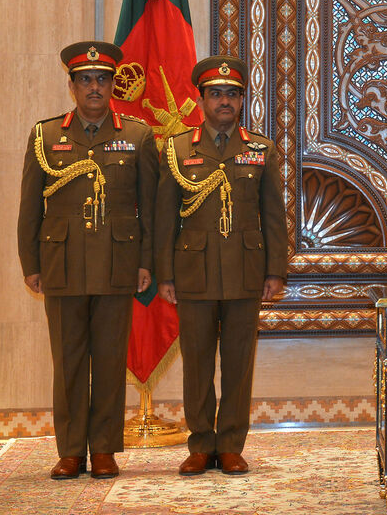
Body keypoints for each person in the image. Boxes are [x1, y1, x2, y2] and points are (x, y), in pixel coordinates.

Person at [17, 41, 157, 480]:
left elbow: (149, 207)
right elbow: (29, 207)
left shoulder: (137, 135)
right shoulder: (46, 135)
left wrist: (146, 262)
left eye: (102, 79)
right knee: (69, 360)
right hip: (62, 264)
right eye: (85, 80)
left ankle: (104, 450)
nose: (94, 87)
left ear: (114, 85)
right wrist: (31, 263)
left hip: (118, 264)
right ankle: (71, 450)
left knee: (111, 360)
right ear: (73, 86)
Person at [155, 56, 286, 476]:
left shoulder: (260, 149)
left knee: (238, 362)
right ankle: (200, 444)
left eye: (232, 94)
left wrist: (275, 271)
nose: (224, 101)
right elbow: (164, 217)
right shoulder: (177, 148)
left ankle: (230, 444)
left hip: (246, 273)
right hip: (192, 273)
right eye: (216, 93)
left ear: (241, 99)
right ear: (202, 99)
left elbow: (273, 216)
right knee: (196, 363)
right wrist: (165, 275)